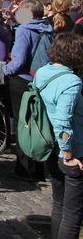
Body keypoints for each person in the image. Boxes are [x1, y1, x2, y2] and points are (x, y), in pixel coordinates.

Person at [35, 33, 83, 239]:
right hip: (71, 151)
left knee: (59, 205)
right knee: (73, 214)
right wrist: (69, 155)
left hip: (51, 147)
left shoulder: (43, 72)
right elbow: (63, 121)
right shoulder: (71, 81)